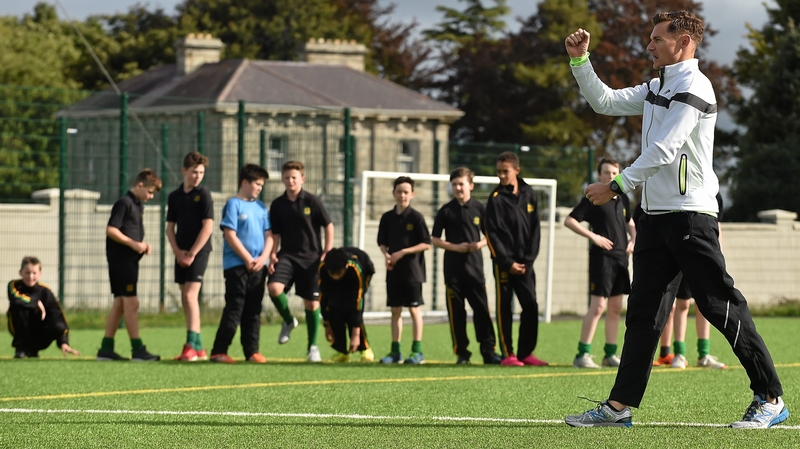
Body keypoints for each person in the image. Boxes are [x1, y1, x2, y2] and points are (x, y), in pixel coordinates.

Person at [564, 11, 788, 428]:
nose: (648, 46)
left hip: (691, 217)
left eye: (656, 39)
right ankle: (618, 408)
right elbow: (605, 102)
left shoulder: (694, 86)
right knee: (644, 313)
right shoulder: (656, 86)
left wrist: (616, 186)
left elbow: (666, 149)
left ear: (683, 41)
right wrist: (581, 61)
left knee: (720, 306)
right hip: (653, 219)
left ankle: (770, 398)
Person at [565, 158, 635, 369]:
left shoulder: (622, 199)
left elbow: (629, 222)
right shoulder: (593, 197)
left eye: (614, 172)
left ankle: (610, 355)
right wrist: (593, 237)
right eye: (606, 172)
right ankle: (582, 355)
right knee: (598, 306)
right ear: (599, 175)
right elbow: (570, 220)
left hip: (621, 259)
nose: (610, 176)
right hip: (601, 259)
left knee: (615, 308)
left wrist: (633, 239)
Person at [431, 167, 501, 365]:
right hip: (452, 271)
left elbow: (491, 235)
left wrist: (478, 244)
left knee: (482, 311)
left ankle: (488, 351)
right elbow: (435, 239)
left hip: (475, 269)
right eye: (454, 185)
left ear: (471, 185)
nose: (458, 188)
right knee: (457, 314)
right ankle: (462, 353)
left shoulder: (480, 208)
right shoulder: (446, 210)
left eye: (461, 184)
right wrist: (455, 247)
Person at [267, 161, 334, 363]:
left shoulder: (312, 201)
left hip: (311, 259)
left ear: (302, 179)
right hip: (287, 256)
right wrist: (272, 253)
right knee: (273, 288)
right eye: (287, 177)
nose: (290, 181)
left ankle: (312, 347)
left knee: (312, 304)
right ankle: (289, 321)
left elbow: (328, 225)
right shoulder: (277, 204)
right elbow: (275, 233)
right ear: (282, 179)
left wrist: (327, 250)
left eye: (294, 177)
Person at [484, 151, 547, 367]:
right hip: (505, 265)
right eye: (498, 172)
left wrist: (528, 261)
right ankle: (508, 353)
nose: (501, 176)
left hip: (525, 263)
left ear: (516, 170)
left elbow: (536, 229)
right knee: (505, 308)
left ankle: (525, 353)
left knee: (531, 305)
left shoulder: (530, 193)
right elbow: (491, 234)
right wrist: (507, 262)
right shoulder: (495, 199)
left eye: (505, 171)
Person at [652, 193, 726, 370]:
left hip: (705, 254)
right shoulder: (679, 188)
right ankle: (679, 353)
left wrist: (718, 253)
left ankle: (704, 354)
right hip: (683, 252)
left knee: (704, 305)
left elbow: (717, 224)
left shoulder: (713, 192)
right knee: (683, 304)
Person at [209, 164, 273, 364]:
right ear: (245, 182)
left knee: (254, 309)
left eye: (262, 185)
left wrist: (263, 258)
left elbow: (269, 235)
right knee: (235, 307)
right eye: (257, 184)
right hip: (237, 266)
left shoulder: (261, 207)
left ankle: (251, 351)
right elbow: (230, 234)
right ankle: (219, 351)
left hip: (258, 267)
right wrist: (247, 258)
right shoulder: (233, 204)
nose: (259, 188)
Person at [97, 168, 162, 361]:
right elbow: (111, 229)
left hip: (129, 261)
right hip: (122, 262)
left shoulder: (137, 205)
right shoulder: (124, 203)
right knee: (132, 304)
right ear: (140, 185)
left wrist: (141, 246)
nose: (151, 196)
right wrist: (134, 244)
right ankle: (138, 350)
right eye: (149, 192)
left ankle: (105, 349)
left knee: (120, 304)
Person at [377, 176, 431, 364]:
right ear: (394, 193)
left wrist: (402, 253)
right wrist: (387, 255)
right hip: (394, 273)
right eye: (399, 191)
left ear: (412, 194)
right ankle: (395, 351)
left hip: (413, 272)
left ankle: (418, 351)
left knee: (414, 310)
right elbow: (382, 242)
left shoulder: (416, 217)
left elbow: (426, 244)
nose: (402, 195)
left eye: (406, 192)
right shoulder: (387, 217)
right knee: (395, 311)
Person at [166, 151, 214, 361]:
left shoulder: (204, 195)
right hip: (181, 253)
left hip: (199, 252)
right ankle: (200, 347)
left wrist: (192, 254)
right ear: (184, 171)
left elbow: (208, 227)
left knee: (189, 296)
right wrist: (178, 252)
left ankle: (190, 346)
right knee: (186, 299)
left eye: (201, 172)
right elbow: (169, 228)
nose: (198, 176)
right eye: (194, 172)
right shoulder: (174, 197)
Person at [7, 256, 80, 359]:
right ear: (20, 272)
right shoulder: (14, 285)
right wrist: (35, 303)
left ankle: (33, 349)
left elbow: (58, 317)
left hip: (40, 335)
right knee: (18, 307)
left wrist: (63, 341)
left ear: (40, 274)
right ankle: (21, 348)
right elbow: (15, 298)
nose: (31, 276)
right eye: (27, 273)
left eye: (34, 273)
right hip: (20, 332)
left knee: (56, 322)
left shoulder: (45, 292)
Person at [319, 247, 375, 363]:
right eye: (332, 274)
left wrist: (355, 335)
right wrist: (326, 324)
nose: (335, 277)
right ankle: (341, 351)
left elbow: (357, 302)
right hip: (341, 281)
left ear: (345, 267)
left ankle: (365, 348)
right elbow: (323, 298)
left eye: (338, 273)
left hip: (364, 271)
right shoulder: (324, 269)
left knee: (350, 307)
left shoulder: (354, 269)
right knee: (334, 306)